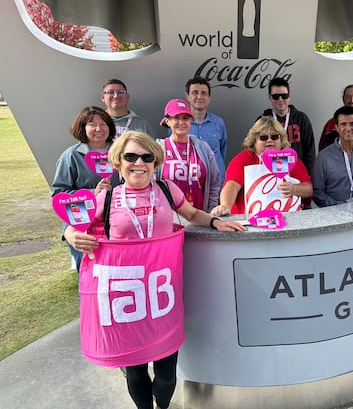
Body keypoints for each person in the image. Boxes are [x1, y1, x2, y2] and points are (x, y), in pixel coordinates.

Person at [64, 131, 245, 409]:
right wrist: (71, 234)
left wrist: (214, 222)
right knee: (136, 371)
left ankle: (161, 405)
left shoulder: (165, 189)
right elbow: (75, 225)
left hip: (162, 297)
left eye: (147, 157)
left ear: (155, 161)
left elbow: (192, 214)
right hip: (126, 299)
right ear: (118, 162)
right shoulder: (107, 197)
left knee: (165, 375)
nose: (139, 163)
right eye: (131, 156)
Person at [51, 106, 119, 271]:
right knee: (90, 275)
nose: (98, 129)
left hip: (117, 223)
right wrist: (91, 193)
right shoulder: (71, 156)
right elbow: (59, 194)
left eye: (103, 124)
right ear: (82, 128)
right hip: (83, 225)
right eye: (92, 124)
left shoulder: (121, 151)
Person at [211, 116, 313, 216]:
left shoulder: (288, 159)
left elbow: (308, 189)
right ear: (254, 141)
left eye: (274, 137)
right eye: (263, 137)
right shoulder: (244, 159)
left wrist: (294, 189)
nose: (269, 140)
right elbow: (232, 186)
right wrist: (225, 206)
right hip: (250, 223)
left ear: (281, 139)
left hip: (286, 221)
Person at [156, 99, 220, 213]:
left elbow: (214, 183)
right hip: (169, 220)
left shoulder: (203, 147)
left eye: (185, 118)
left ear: (191, 121)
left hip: (200, 218)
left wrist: (210, 212)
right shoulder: (158, 149)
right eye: (176, 117)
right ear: (167, 121)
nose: (181, 122)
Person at [258, 77, 316, 174]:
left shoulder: (302, 119)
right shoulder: (262, 120)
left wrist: (308, 175)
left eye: (284, 96)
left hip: (297, 173)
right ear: (269, 97)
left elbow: (309, 151)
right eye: (276, 96)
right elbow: (255, 149)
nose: (280, 100)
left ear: (289, 96)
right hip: (269, 173)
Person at [182, 76, 227, 185]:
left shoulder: (218, 123)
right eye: (195, 92)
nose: (199, 96)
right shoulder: (180, 124)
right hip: (190, 186)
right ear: (187, 96)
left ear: (209, 98)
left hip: (217, 185)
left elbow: (222, 151)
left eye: (204, 93)